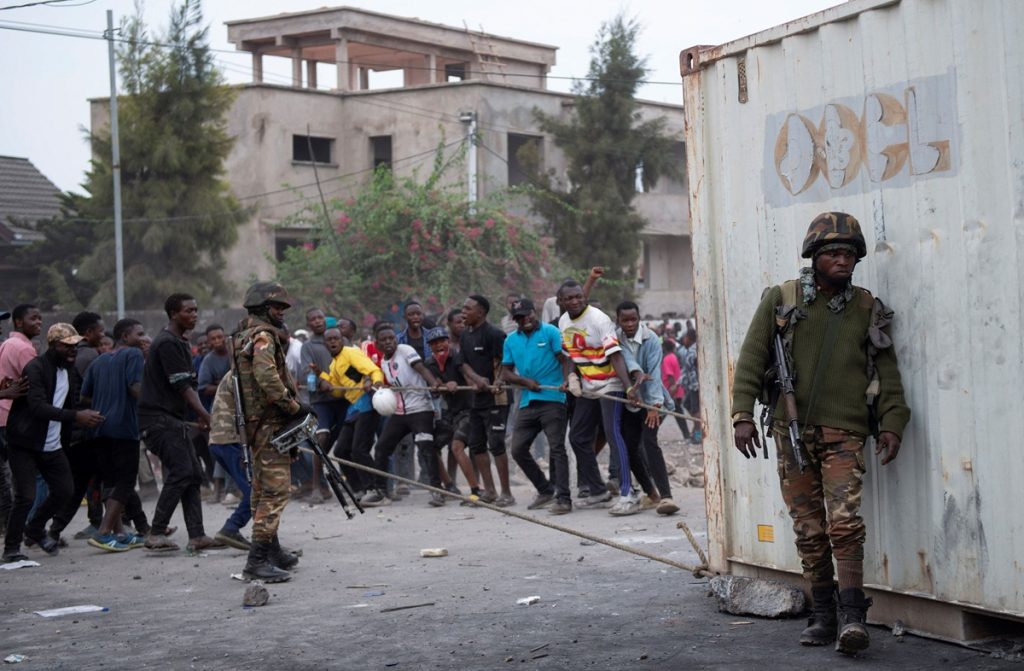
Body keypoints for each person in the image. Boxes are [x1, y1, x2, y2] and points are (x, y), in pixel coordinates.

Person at [731, 212, 910, 654]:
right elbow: (752, 357)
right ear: (814, 257)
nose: (842, 260)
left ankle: (853, 617)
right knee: (809, 528)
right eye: (833, 253)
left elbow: (887, 372)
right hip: (790, 430)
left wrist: (892, 423)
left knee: (845, 523)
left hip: (845, 433)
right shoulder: (783, 299)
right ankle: (824, 614)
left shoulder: (867, 308)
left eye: (849, 254)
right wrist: (742, 415)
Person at [2, 324, 103, 561]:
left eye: (75, 345)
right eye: (67, 346)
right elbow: (37, 407)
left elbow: (70, 402)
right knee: (25, 496)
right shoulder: (35, 368)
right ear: (54, 345)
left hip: (52, 444)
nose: (73, 350)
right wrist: (76, 416)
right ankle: (11, 548)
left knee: (65, 490)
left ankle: (35, 529)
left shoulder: (68, 370)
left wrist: (85, 416)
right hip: (25, 442)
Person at [233, 282, 309, 582]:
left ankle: (272, 551)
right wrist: (293, 407)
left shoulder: (243, 335)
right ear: (263, 309)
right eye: (277, 307)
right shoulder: (263, 335)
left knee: (261, 490)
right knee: (276, 491)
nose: (282, 312)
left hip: (255, 424)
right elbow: (266, 375)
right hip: (269, 423)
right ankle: (256, 561)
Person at [139, 293, 219, 553]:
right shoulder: (167, 343)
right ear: (174, 314)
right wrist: (206, 416)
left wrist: (198, 416)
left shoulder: (181, 342)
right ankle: (156, 532)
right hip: (158, 419)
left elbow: (188, 387)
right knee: (183, 471)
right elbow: (183, 386)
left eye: (196, 310)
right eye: (188, 311)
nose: (194, 315)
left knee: (193, 473)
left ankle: (197, 535)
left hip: (172, 418)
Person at [558, 280, 642, 514]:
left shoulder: (599, 319)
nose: (575, 301)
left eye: (578, 296)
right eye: (569, 298)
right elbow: (569, 356)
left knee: (613, 435)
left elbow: (615, 356)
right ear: (561, 302)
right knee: (577, 437)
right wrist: (569, 378)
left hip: (610, 383)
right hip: (588, 385)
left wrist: (628, 387)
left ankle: (629, 493)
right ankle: (598, 491)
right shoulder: (564, 322)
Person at [78, 318, 150, 551]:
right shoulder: (134, 354)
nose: (143, 338)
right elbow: (135, 389)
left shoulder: (99, 361)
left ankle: (119, 533)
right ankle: (103, 532)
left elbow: (84, 397)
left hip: (98, 427)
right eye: (139, 334)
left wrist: (106, 400)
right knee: (126, 480)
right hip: (124, 427)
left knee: (110, 481)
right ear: (125, 337)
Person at [499, 299, 572, 514]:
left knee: (556, 448)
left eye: (527, 314)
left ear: (534, 311)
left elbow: (565, 360)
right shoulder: (511, 340)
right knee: (518, 449)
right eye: (519, 317)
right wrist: (524, 381)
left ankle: (564, 498)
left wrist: (567, 380)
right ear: (515, 320)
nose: (525, 319)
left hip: (553, 398)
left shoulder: (550, 332)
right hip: (528, 400)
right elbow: (506, 372)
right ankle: (545, 489)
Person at [361, 324, 444, 507]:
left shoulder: (405, 350)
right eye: (384, 340)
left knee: (426, 447)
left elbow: (421, 368)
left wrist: (433, 383)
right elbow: (394, 384)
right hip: (400, 412)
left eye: (391, 338)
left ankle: (437, 490)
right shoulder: (384, 362)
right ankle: (381, 492)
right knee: (381, 448)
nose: (389, 342)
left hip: (420, 408)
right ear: (377, 344)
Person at [615, 301, 679, 516]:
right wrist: (633, 382)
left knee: (650, 442)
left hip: (653, 400)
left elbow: (654, 373)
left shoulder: (651, 339)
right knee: (630, 447)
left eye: (633, 319)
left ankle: (666, 497)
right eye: (625, 320)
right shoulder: (616, 338)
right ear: (618, 320)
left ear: (639, 318)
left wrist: (653, 406)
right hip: (631, 401)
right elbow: (625, 360)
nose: (629, 324)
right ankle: (651, 494)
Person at [313, 326, 383, 496]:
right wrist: (322, 377)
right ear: (325, 344)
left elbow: (373, 370)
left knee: (359, 450)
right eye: (329, 340)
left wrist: (376, 383)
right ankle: (359, 489)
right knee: (341, 451)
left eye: (336, 338)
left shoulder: (351, 353)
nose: (333, 342)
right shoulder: (334, 365)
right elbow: (338, 391)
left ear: (342, 340)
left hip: (367, 403)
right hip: (354, 408)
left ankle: (376, 490)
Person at [458, 295, 514, 506]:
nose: (463, 312)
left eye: (468, 309)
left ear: (481, 312)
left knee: (497, 444)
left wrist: (497, 380)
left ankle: (506, 493)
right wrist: (476, 379)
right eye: (463, 308)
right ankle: (489, 491)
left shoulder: (494, 334)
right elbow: (462, 364)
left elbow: (507, 363)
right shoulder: (465, 335)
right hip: (476, 400)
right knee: (476, 445)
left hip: (497, 398)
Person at [0, 305, 41, 538]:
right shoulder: (19, 347)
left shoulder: (6, 345)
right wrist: (4, 393)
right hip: (10, 418)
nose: (0, 327)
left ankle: (12, 528)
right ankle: (20, 529)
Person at [423, 327, 476, 497]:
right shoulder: (429, 364)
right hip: (449, 411)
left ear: (448, 341)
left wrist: (458, 384)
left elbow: (470, 379)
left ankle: (476, 490)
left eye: (442, 341)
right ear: (430, 346)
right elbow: (435, 388)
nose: (439, 345)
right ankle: (449, 485)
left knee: (457, 447)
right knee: (430, 446)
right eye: (434, 343)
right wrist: (443, 386)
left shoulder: (459, 357)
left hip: (468, 409)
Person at [300, 307, 342, 503]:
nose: (317, 321)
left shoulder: (339, 339)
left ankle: (358, 485)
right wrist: (319, 381)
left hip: (342, 399)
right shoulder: (308, 347)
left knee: (347, 442)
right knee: (320, 439)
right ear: (308, 324)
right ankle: (317, 487)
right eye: (313, 319)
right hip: (321, 400)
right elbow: (306, 371)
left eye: (320, 317)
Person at [198, 324, 231, 501]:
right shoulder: (209, 361)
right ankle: (220, 489)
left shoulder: (234, 354)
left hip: (240, 407)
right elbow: (203, 387)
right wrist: (224, 384)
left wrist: (221, 382)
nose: (218, 341)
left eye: (220, 337)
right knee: (222, 447)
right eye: (213, 339)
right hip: (221, 410)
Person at [679, 329, 701, 444]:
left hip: (695, 386)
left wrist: (696, 386)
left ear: (688, 338)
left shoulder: (693, 351)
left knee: (695, 410)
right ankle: (698, 426)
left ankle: (698, 434)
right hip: (691, 386)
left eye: (685, 338)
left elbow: (695, 370)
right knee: (687, 404)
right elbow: (686, 369)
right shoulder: (691, 350)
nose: (683, 340)